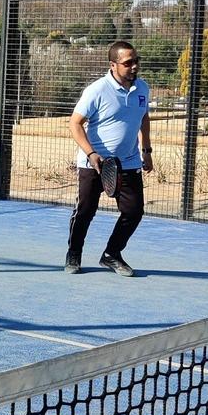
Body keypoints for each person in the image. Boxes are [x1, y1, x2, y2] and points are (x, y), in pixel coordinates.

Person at [65, 40, 153, 277]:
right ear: (113, 65)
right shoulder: (97, 90)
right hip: (94, 163)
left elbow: (144, 118)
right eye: (128, 63)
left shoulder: (142, 88)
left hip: (129, 161)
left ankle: (111, 254)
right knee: (85, 211)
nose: (134, 66)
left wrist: (146, 151)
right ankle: (74, 254)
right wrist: (91, 154)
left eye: (136, 61)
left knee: (134, 212)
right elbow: (75, 123)